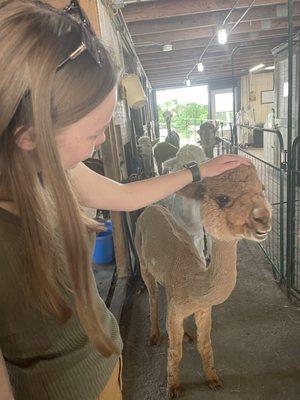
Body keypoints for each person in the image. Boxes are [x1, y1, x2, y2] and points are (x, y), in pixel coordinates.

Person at [0, 1, 252, 399]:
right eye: (93, 133)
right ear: (30, 136)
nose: (102, 141)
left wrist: (200, 171)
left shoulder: (55, 169)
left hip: (106, 365)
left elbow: (125, 195)